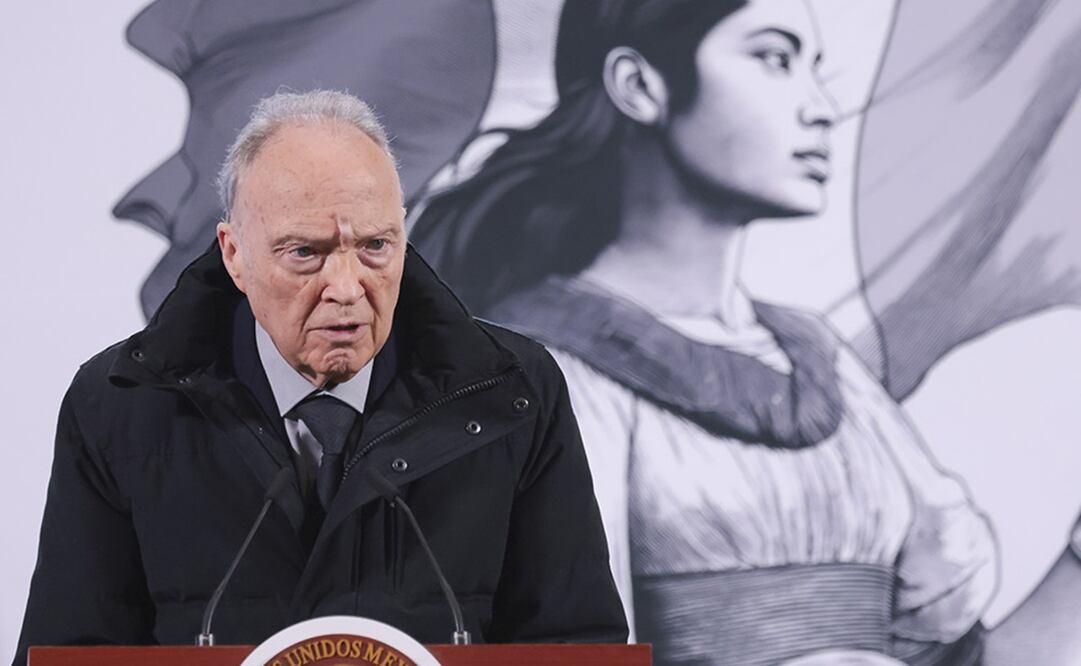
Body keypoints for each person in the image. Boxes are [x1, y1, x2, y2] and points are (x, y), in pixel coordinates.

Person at [410, 2, 997, 664]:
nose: (821, 106)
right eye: (774, 59)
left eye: (815, 68)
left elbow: (952, 630)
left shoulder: (816, 357)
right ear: (638, 86)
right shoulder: (537, 371)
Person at [14, 90, 627, 664]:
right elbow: (74, 649)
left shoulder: (513, 392)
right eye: (305, 253)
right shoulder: (122, 403)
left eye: (375, 248)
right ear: (234, 255)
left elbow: (574, 643)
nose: (345, 288)